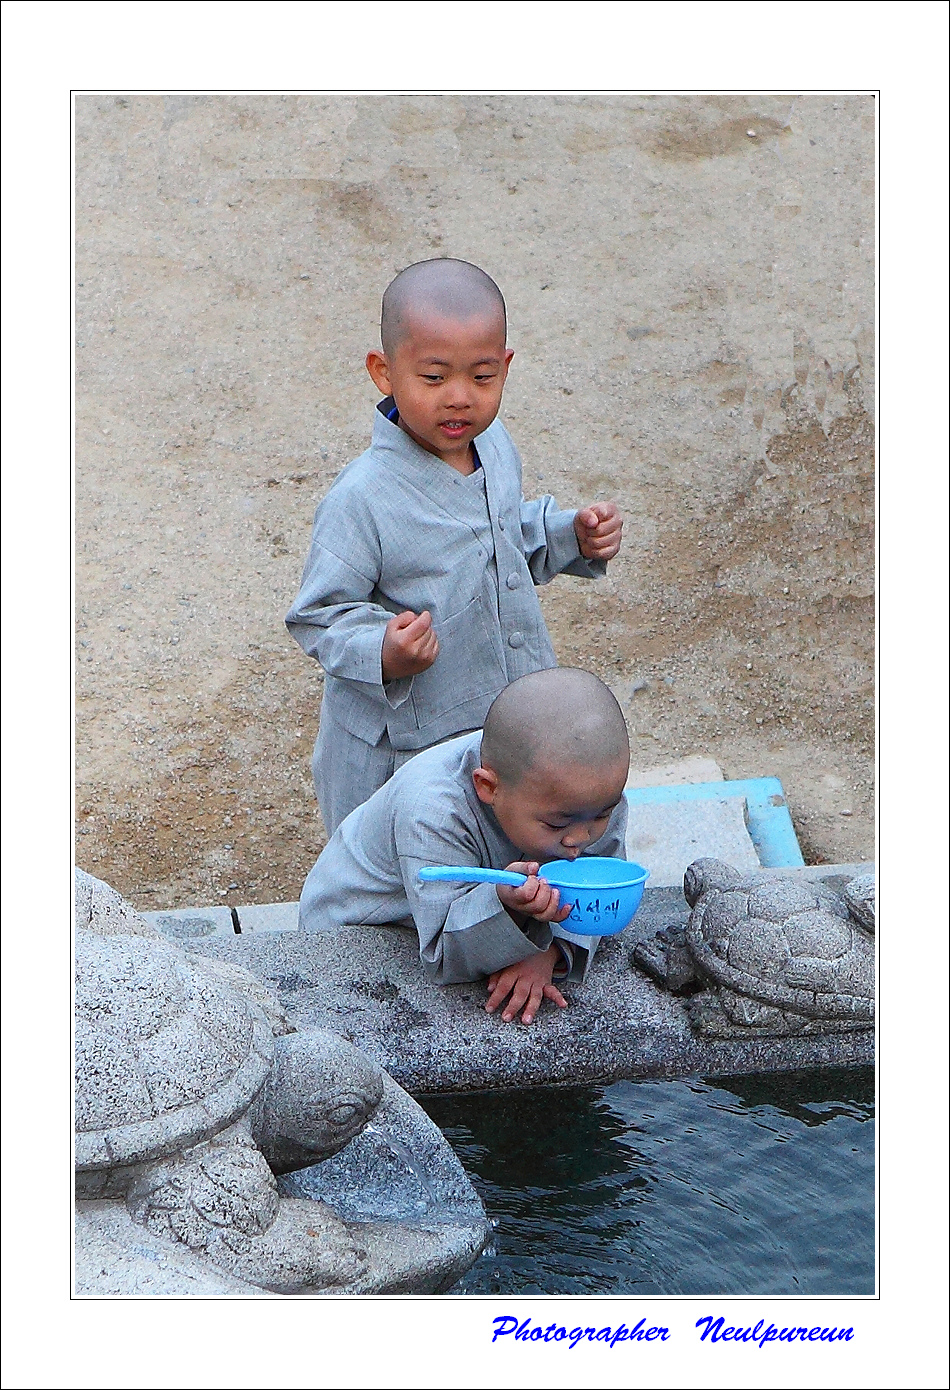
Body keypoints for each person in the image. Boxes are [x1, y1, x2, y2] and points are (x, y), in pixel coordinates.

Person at [286, 258, 623, 836]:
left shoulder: (494, 448)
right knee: (411, 852)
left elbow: (501, 538)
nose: (460, 398)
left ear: (506, 367)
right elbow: (318, 615)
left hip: (501, 714)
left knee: (499, 836)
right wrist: (383, 650)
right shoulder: (362, 499)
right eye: (434, 378)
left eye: (482, 377)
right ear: (384, 372)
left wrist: (571, 536)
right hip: (405, 746)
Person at [298, 668, 630, 1026]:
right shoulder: (432, 811)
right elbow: (443, 949)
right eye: (556, 825)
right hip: (365, 926)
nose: (579, 839)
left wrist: (550, 950)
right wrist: (506, 907)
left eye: (603, 815)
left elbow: (602, 886)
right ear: (488, 787)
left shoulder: (584, 796)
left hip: (456, 912)